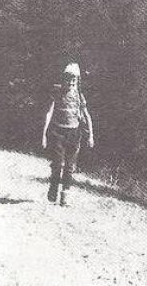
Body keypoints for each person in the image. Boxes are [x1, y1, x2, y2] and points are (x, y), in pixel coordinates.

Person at [42, 62, 94, 206]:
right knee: (57, 164)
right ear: (63, 79)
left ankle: (65, 195)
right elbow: (49, 113)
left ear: (77, 81)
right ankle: (53, 187)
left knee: (70, 166)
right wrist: (44, 134)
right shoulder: (57, 93)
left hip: (74, 134)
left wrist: (91, 135)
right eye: (68, 79)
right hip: (58, 132)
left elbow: (87, 115)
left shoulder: (79, 96)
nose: (71, 83)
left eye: (74, 80)